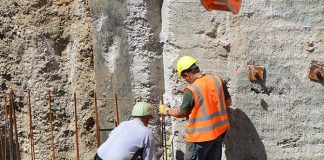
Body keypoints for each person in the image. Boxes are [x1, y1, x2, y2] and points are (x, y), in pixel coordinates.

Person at [159, 55, 232, 160]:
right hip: (219, 133)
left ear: (186, 74)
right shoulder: (217, 80)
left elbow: (182, 112)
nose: (186, 81)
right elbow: (228, 102)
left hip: (200, 138)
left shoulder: (191, 90)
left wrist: (167, 111)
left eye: (184, 78)